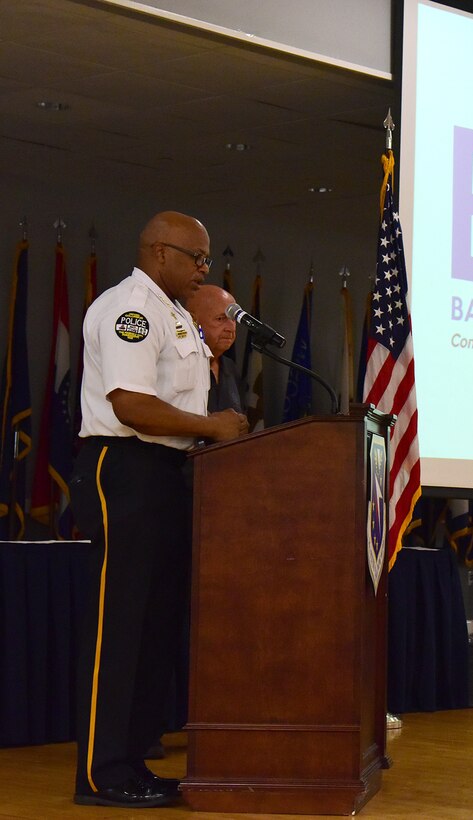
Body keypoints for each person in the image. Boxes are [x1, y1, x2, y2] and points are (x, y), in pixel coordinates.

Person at [70, 211, 249, 808]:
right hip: (125, 469)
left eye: (206, 259)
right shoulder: (131, 309)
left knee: (154, 627)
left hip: (171, 474)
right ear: (158, 251)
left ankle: (135, 763)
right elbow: (130, 404)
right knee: (120, 626)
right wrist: (211, 426)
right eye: (196, 258)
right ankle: (102, 774)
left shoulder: (175, 314)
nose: (205, 269)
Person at [186, 284, 244, 413]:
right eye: (220, 319)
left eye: (233, 320)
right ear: (193, 320)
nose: (231, 328)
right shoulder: (181, 365)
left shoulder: (230, 367)